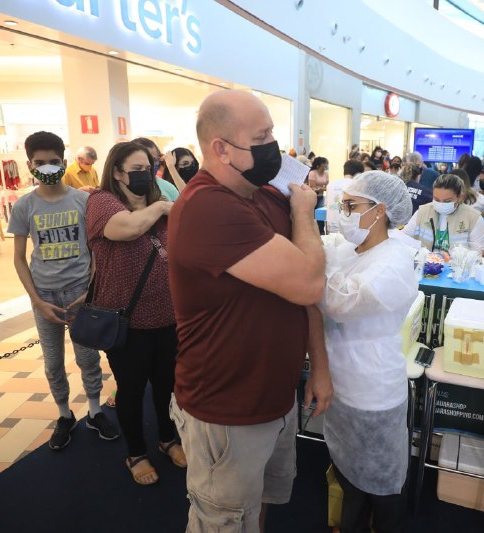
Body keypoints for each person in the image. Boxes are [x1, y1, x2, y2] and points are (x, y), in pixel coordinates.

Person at [167, 90, 331, 531]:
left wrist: (319, 367)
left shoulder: (260, 195)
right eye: (261, 136)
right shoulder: (208, 206)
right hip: (226, 408)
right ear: (221, 148)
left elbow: (303, 296)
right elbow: (310, 280)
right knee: (222, 519)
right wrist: (304, 214)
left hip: (274, 399)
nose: (273, 146)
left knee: (257, 506)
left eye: (272, 133)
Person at [321, 171, 417, 533]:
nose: (343, 212)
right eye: (342, 204)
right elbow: (324, 253)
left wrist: (322, 267)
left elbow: (341, 302)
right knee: (349, 471)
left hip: (372, 387)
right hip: (342, 378)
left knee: (381, 482)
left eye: (351, 205)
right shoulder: (350, 248)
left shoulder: (394, 262)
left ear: (380, 211)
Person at [8, 131, 117, 450]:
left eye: (54, 162)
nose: (48, 168)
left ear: (64, 162)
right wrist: (37, 301)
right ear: (29, 166)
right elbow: (18, 257)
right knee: (53, 362)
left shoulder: (84, 201)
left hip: (81, 295)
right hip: (45, 297)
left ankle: (95, 411)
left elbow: (97, 249)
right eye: (40, 163)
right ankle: (63, 415)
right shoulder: (25, 206)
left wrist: (90, 292)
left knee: (88, 358)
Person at [86, 141, 181, 485]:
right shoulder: (102, 202)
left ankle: (167, 437)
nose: (145, 175)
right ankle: (136, 453)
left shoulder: (161, 204)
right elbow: (125, 228)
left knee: (166, 385)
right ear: (116, 171)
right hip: (126, 321)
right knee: (131, 388)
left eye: (149, 168)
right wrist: (162, 209)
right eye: (137, 169)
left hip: (167, 317)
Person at [401, 174, 484, 255]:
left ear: (460, 197)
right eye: (436, 199)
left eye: (447, 201)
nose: (441, 204)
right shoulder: (422, 212)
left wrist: (460, 259)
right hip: (425, 267)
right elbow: (403, 238)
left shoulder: (473, 217)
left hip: (458, 268)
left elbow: (482, 251)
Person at [326, 159, 365, 234]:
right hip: (349, 228)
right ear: (359, 174)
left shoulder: (331, 185)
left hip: (331, 225)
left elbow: (328, 204)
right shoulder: (357, 185)